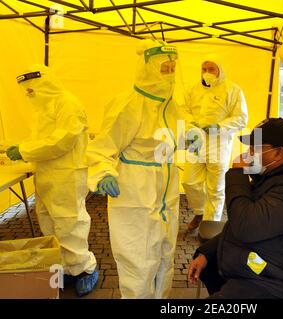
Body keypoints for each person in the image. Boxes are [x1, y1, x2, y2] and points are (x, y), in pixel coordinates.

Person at [86, 40, 180, 299]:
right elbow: (101, 147)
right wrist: (103, 173)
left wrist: (189, 134)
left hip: (167, 193)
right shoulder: (128, 104)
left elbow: (172, 135)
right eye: (164, 67)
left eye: (173, 67)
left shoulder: (169, 104)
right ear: (149, 67)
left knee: (165, 256)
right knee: (138, 262)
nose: (170, 72)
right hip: (135, 193)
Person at [188, 118, 283, 299]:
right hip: (258, 273)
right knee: (209, 266)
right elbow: (237, 224)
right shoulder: (272, 178)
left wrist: (238, 174)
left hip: (273, 285)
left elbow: (245, 226)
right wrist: (207, 253)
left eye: (255, 148)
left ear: (278, 153)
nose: (249, 154)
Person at [7, 64, 98, 297]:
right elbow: (43, 140)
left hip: (67, 174)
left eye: (31, 90)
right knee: (49, 223)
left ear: (44, 84)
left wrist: (24, 150)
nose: (29, 95)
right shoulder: (43, 107)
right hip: (47, 175)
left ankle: (85, 269)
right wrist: (22, 150)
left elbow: (61, 141)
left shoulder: (68, 103)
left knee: (70, 223)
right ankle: (66, 267)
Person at [181, 55, 248, 231]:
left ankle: (209, 228)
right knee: (189, 181)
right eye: (204, 69)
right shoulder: (192, 89)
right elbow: (184, 110)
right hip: (197, 143)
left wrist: (219, 127)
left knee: (216, 188)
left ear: (220, 70)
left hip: (219, 144)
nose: (207, 73)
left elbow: (242, 118)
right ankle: (200, 211)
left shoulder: (232, 90)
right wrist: (190, 125)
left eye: (211, 69)